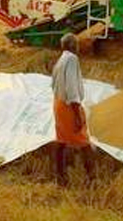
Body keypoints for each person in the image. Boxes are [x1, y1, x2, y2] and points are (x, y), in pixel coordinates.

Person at [50, 33, 95, 184]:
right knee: (84, 143)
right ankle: (92, 178)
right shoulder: (72, 59)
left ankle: (60, 177)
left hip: (58, 104)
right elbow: (72, 89)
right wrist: (77, 115)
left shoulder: (60, 61)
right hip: (69, 106)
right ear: (72, 46)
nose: (78, 47)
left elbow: (53, 85)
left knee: (61, 141)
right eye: (77, 44)